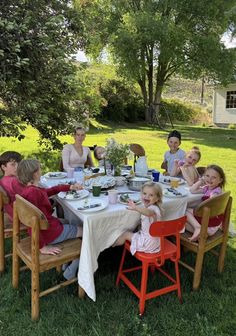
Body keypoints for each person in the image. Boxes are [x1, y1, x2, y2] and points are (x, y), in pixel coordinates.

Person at [17, 159, 84, 279]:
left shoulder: (30, 190)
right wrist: (42, 246)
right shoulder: (33, 193)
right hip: (50, 233)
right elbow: (34, 223)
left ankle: (65, 263)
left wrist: (69, 187)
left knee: (68, 222)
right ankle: (71, 270)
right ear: (35, 174)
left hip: (49, 228)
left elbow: (50, 191)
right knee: (86, 233)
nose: (41, 170)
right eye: (39, 169)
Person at [113, 182, 163, 254]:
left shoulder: (153, 209)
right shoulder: (154, 207)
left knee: (125, 234)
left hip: (148, 243)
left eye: (151, 195)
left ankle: (111, 246)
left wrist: (135, 207)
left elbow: (148, 213)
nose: (147, 197)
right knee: (135, 230)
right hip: (156, 241)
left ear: (157, 198)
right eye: (144, 193)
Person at [185, 164, 226, 241]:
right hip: (211, 223)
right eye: (207, 176)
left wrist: (212, 196)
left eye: (213, 177)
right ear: (204, 176)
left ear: (220, 180)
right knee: (183, 223)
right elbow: (192, 190)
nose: (209, 179)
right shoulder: (207, 188)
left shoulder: (215, 192)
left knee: (185, 211)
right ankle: (201, 233)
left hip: (209, 224)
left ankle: (198, 229)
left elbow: (213, 200)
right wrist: (201, 181)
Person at [0, 151, 25, 220]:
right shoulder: (14, 181)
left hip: (11, 214)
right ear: (3, 167)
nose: (17, 167)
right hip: (21, 217)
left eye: (19, 164)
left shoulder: (2, 180)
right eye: (13, 164)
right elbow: (28, 197)